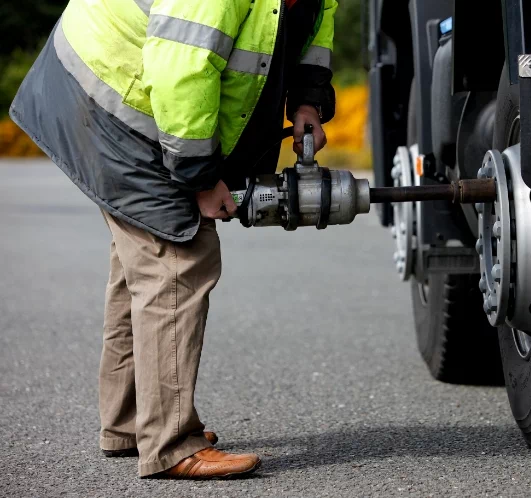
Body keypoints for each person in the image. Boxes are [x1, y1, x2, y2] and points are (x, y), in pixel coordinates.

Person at [10, 0, 336, 480]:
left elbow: (313, 23)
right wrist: (201, 179)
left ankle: (129, 423)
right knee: (178, 259)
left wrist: (307, 100)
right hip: (116, 102)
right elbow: (181, 69)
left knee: (139, 263)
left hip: (120, 87)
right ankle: (169, 444)